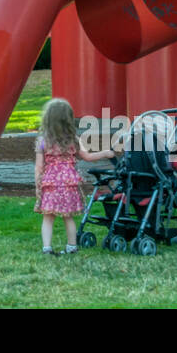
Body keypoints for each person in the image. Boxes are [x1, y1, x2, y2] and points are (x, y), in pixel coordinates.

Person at [34, 98, 116, 255]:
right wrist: (105, 153)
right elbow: (87, 157)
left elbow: (38, 166)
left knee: (48, 217)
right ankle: (71, 247)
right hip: (68, 182)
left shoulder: (42, 140)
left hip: (50, 182)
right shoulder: (74, 139)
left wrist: (38, 185)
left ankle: (47, 248)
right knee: (68, 216)